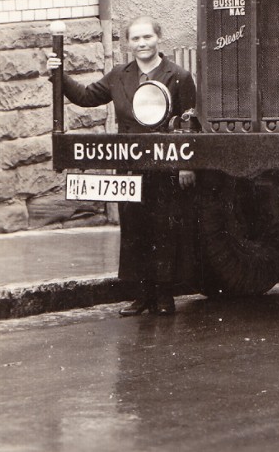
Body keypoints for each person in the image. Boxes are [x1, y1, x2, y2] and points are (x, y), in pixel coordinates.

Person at [47, 17, 196, 316]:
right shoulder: (119, 75)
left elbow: (190, 123)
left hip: (165, 167)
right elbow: (86, 96)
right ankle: (142, 295)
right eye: (135, 39)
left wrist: (186, 165)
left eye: (147, 37)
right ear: (128, 43)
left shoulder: (179, 76)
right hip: (129, 166)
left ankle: (164, 296)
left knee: (164, 228)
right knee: (134, 228)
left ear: (158, 37)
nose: (142, 44)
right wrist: (58, 74)